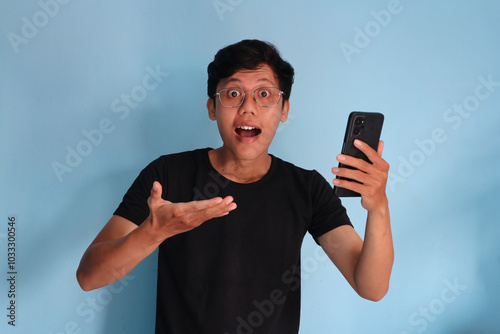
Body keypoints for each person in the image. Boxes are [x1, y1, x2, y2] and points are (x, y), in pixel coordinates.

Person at [76, 39, 394, 334]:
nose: (248, 108)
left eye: (265, 94)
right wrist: (154, 231)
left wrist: (378, 207)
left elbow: (371, 287)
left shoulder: (306, 188)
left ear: (284, 110)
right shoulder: (167, 175)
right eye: (232, 93)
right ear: (212, 108)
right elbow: (89, 276)